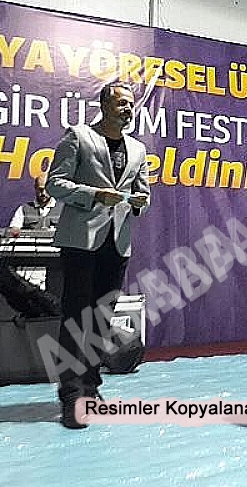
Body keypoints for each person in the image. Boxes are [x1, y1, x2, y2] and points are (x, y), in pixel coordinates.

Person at [47, 81, 150, 429]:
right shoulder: (78, 136)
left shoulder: (138, 149)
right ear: (104, 105)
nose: (128, 109)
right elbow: (56, 183)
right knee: (75, 318)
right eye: (121, 103)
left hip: (117, 242)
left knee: (101, 319)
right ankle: (71, 394)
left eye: (131, 104)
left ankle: (91, 388)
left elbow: (144, 193)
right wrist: (94, 195)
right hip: (80, 240)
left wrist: (140, 202)